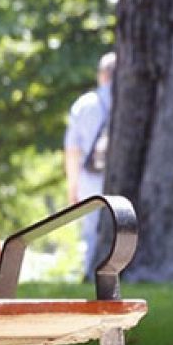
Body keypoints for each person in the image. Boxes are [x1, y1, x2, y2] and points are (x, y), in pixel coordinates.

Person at [64, 52, 115, 280]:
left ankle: (92, 273)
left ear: (102, 75)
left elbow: (73, 149)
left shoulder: (85, 104)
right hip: (128, 175)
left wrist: (72, 184)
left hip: (91, 175)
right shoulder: (141, 99)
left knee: (91, 229)